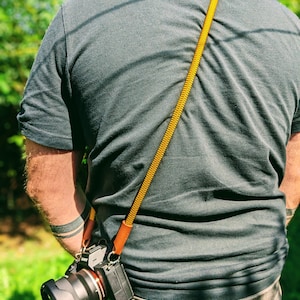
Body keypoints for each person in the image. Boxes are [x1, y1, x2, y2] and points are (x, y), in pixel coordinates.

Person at [17, 0, 300, 299]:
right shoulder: (289, 29)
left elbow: (48, 187)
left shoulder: (77, 19)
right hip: (256, 284)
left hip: (134, 285)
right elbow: (293, 180)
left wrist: (102, 267)